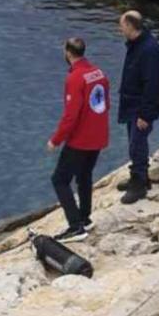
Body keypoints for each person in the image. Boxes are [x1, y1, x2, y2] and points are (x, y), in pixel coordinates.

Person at [46, 37, 110, 242]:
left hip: (80, 139)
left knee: (59, 180)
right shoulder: (98, 73)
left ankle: (75, 226)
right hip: (98, 135)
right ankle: (85, 217)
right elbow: (105, 104)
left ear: (68, 52)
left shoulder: (75, 78)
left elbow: (71, 115)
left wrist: (56, 140)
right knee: (84, 175)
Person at [116, 10, 159, 205]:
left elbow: (153, 84)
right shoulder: (138, 45)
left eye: (122, 26)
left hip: (140, 108)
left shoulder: (148, 49)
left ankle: (139, 185)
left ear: (130, 25)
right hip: (132, 105)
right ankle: (139, 177)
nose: (120, 30)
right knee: (133, 143)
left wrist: (145, 114)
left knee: (137, 144)